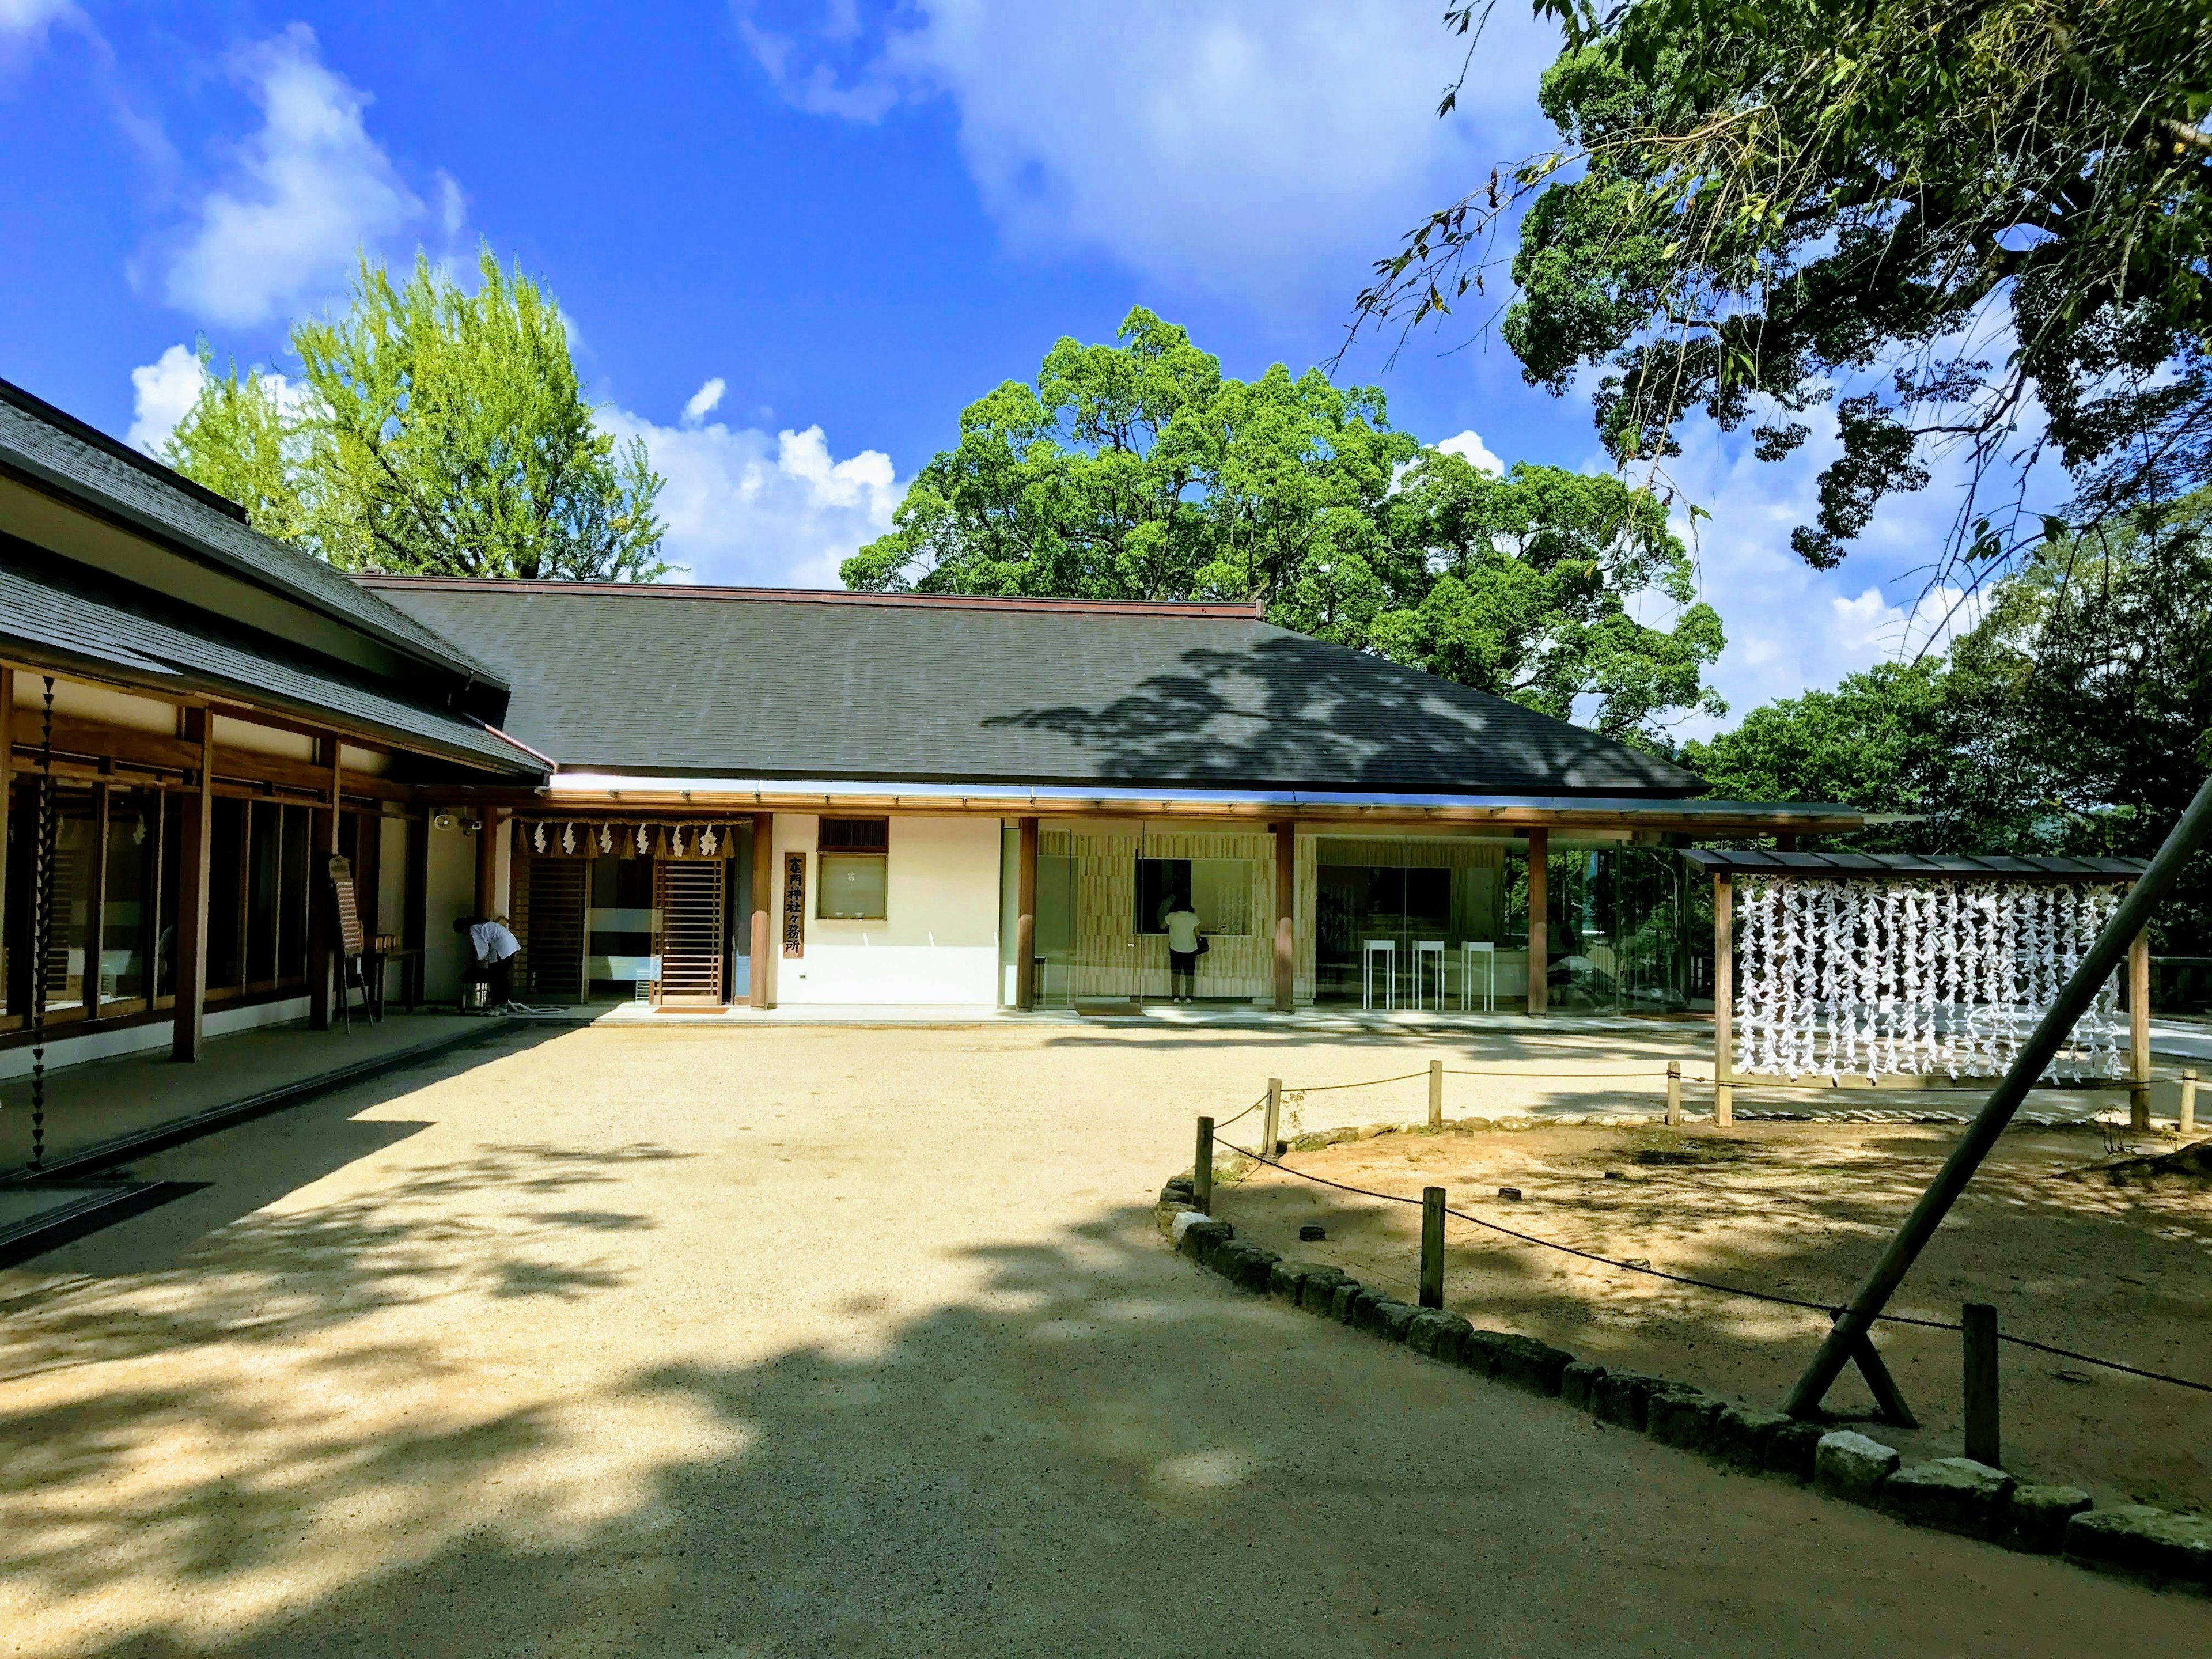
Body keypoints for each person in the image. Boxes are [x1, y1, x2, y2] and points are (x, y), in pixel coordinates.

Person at [454, 913, 523, 1012]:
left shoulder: (474, 928)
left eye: (462, 932)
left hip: (502, 947)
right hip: (510, 946)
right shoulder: (482, 924)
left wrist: (473, 962)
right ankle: (503, 1006)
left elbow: (482, 950)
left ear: (464, 928)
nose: (465, 934)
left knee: (496, 977)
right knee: (502, 977)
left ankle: (497, 1006)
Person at [1164, 896, 1203, 1003]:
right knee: (1189, 974)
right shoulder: (1193, 917)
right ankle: (1189, 998)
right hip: (1191, 948)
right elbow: (1198, 933)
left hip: (1175, 948)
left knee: (1176, 974)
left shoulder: (1172, 916)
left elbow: (1162, 926)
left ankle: (1176, 997)